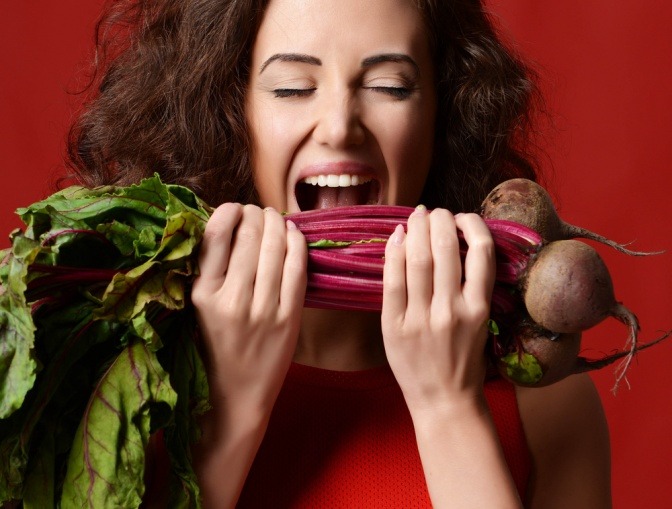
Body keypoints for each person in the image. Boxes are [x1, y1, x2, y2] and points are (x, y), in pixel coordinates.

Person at [67, 0, 611, 507]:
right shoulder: (126, 389)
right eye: (291, 88)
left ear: (441, 118)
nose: (339, 127)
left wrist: (449, 408)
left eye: (389, 86)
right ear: (232, 115)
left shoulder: (547, 408)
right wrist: (230, 414)